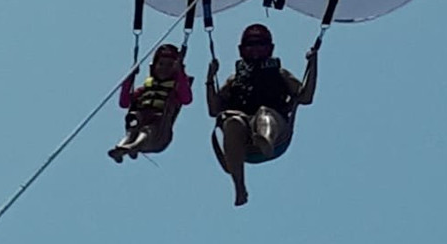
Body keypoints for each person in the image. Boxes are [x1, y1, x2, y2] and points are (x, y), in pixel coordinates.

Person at [206, 24, 318, 206]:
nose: (255, 49)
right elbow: (214, 109)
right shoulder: (234, 79)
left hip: (277, 135)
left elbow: (305, 97)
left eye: (261, 44)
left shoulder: (280, 74)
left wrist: (313, 64)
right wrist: (210, 79)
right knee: (232, 121)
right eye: (250, 45)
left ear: (270, 49)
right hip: (244, 143)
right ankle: (240, 187)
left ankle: (265, 140)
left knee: (264, 114)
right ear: (242, 50)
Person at [108, 43, 192, 163]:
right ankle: (123, 146)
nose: (164, 68)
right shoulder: (145, 89)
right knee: (133, 123)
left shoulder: (176, 88)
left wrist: (181, 72)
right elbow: (124, 102)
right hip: (140, 119)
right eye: (161, 64)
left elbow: (186, 99)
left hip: (160, 132)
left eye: (169, 65)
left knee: (148, 129)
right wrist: (129, 78)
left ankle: (134, 146)